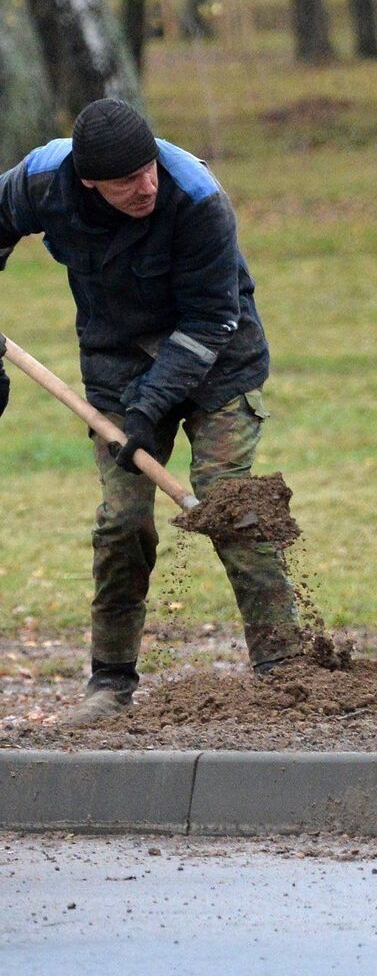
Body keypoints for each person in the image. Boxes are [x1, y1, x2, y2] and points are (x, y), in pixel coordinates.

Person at [0, 99, 300, 724]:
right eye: (125, 181)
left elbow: (210, 318)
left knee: (228, 504)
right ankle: (110, 684)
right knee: (122, 523)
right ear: (87, 183)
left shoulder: (196, 198)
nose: (145, 187)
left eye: (148, 170)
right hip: (116, 363)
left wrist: (149, 411)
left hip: (219, 359)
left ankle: (286, 671)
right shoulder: (38, 181)